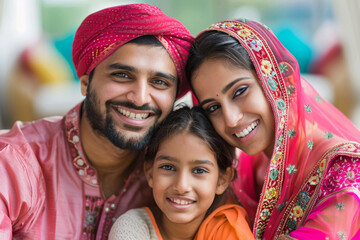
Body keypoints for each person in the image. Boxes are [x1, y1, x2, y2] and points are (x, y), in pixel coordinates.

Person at [0, 4, 194, 239]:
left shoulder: (177, 175)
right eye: (122, 75)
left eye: (160, 82)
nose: (141, 98)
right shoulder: (15, 164)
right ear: (85, 82)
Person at [186, 19, 360, 239]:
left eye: (240, 92)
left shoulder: (345, 169)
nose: (231, 119)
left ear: (280, 78)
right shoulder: (246, 167)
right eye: (213, 107)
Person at [108, 106, 254, 240]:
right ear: (150, 172)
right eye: (168, 167)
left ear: (222, 180)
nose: (181, 186)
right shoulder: (132, 228)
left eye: (199, 170)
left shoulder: (229, 229)